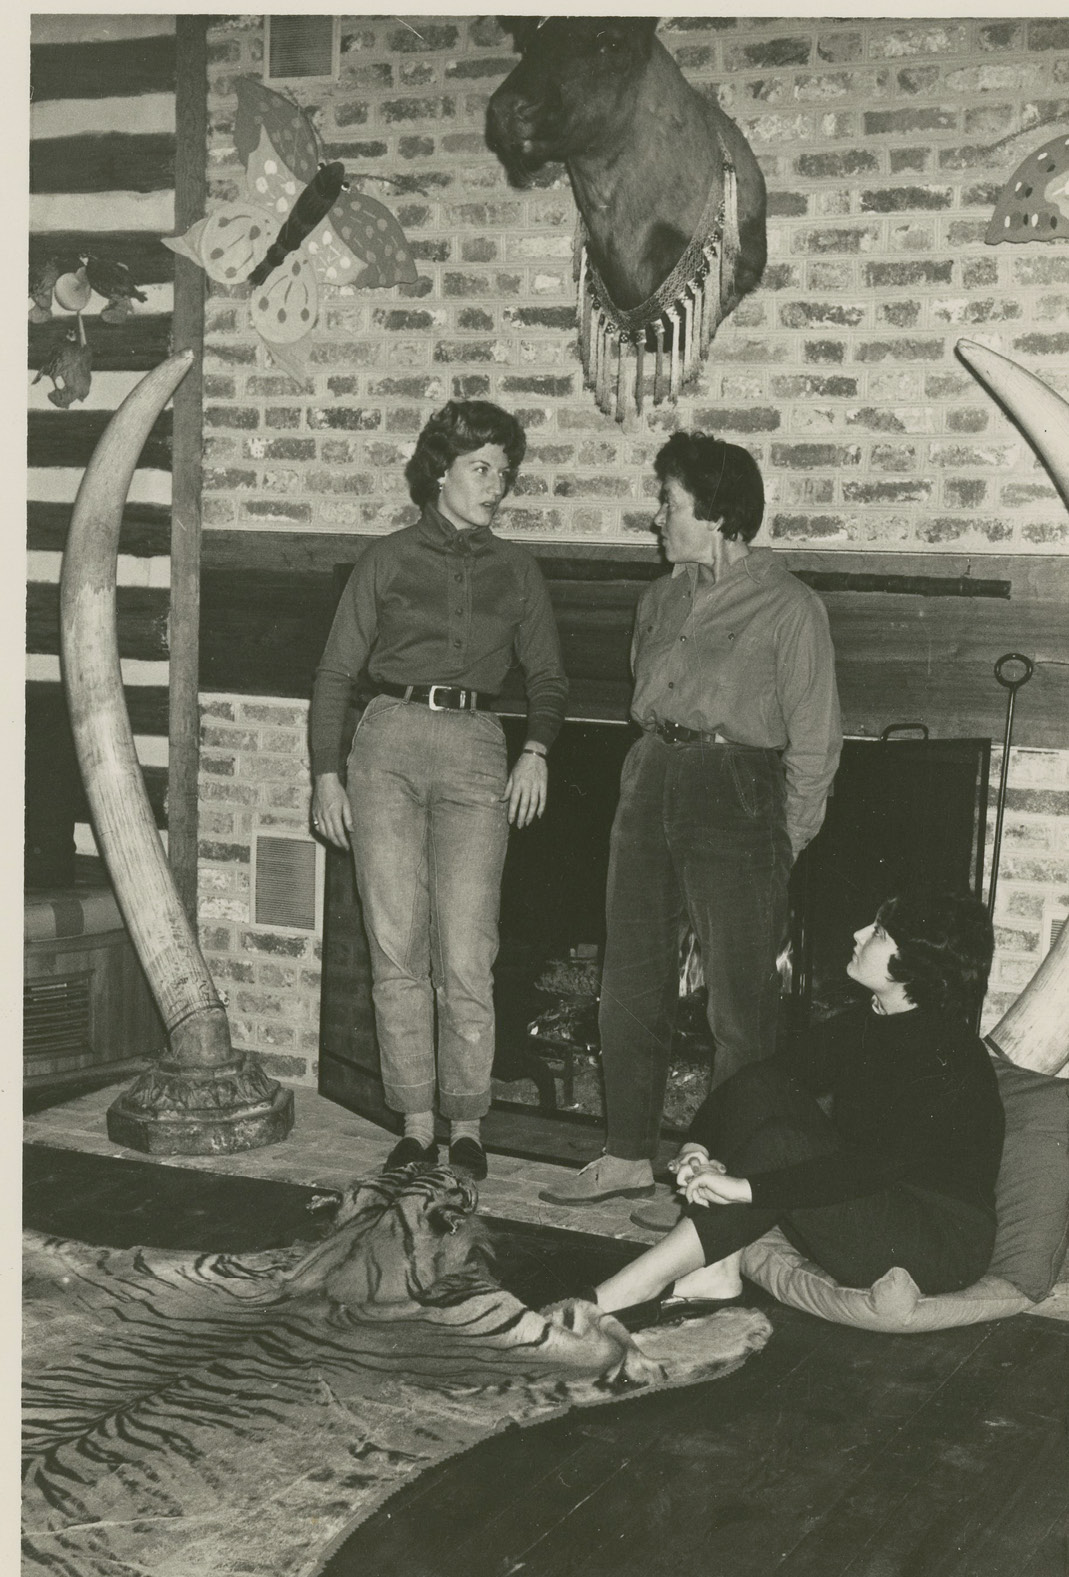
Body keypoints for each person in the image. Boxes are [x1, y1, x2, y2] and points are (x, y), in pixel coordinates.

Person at [542, 432, 841, 1208]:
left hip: (735, 787)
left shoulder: (789, 606)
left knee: (738, 1005)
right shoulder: (658, 598)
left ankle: (724, 1174)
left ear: (715, 514)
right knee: (629, 982)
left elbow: (814, 740)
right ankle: (626, 1153)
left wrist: (785, 839)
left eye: (667, 503)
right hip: (650, 775)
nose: (656, 518)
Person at [310, 399, 568, 1181]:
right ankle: (416, 1122)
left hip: (474, 751)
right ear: (440, 471)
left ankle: (467, 1124)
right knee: (396, 947)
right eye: (482, 469)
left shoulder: (517, 571)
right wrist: (326, 771)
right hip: (384, 743)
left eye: (505, 472)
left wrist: (537, 751)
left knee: (466, 949)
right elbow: (333, 673)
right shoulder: (383, 560)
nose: (497, 485)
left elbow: (549, 677)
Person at [574, 890, 1003, 1326]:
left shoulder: (948, 1054)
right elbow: (758, 1083)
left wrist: (745, 1188)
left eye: (877, 933)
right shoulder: (869, 1019)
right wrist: (697, 1146)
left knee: (783, 1142)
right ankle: (716, 1272)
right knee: (766, 1086)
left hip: (936, 1241)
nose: (856, 935)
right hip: (869, 1203)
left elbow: (876, 1164)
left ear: (914, 961)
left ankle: (627, 1290)